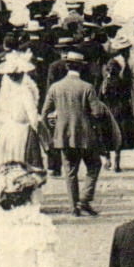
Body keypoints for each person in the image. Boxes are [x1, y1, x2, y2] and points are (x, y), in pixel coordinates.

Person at [42, 51, 108, 216]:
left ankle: (73, 207)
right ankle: (85, 199)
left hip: (63, 136)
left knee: (70, 171)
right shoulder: (87, 87)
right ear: (80, 67)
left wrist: (53, 128)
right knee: (94, 165)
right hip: (86, 136)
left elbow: (44, 113)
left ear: (66, 66)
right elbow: (97, 113)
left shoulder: (55, 87)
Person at [0, 51, 43, 209]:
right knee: (22, 165)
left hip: (5, 133)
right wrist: (36, 130)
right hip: (22, 132)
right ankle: (23, 198)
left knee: (2, 166)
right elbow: (33, 117)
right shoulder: (25, 92)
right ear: (23, 75)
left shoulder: (2, 95)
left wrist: (4, 127)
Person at [98, 37, 134, 174]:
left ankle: (110, 160)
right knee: (119, 132)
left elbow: (107, 84)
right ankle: (115, 162)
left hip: (113, 102)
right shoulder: (126, 62)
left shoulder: (114, 62)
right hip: (121, 102)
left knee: (111, 131)